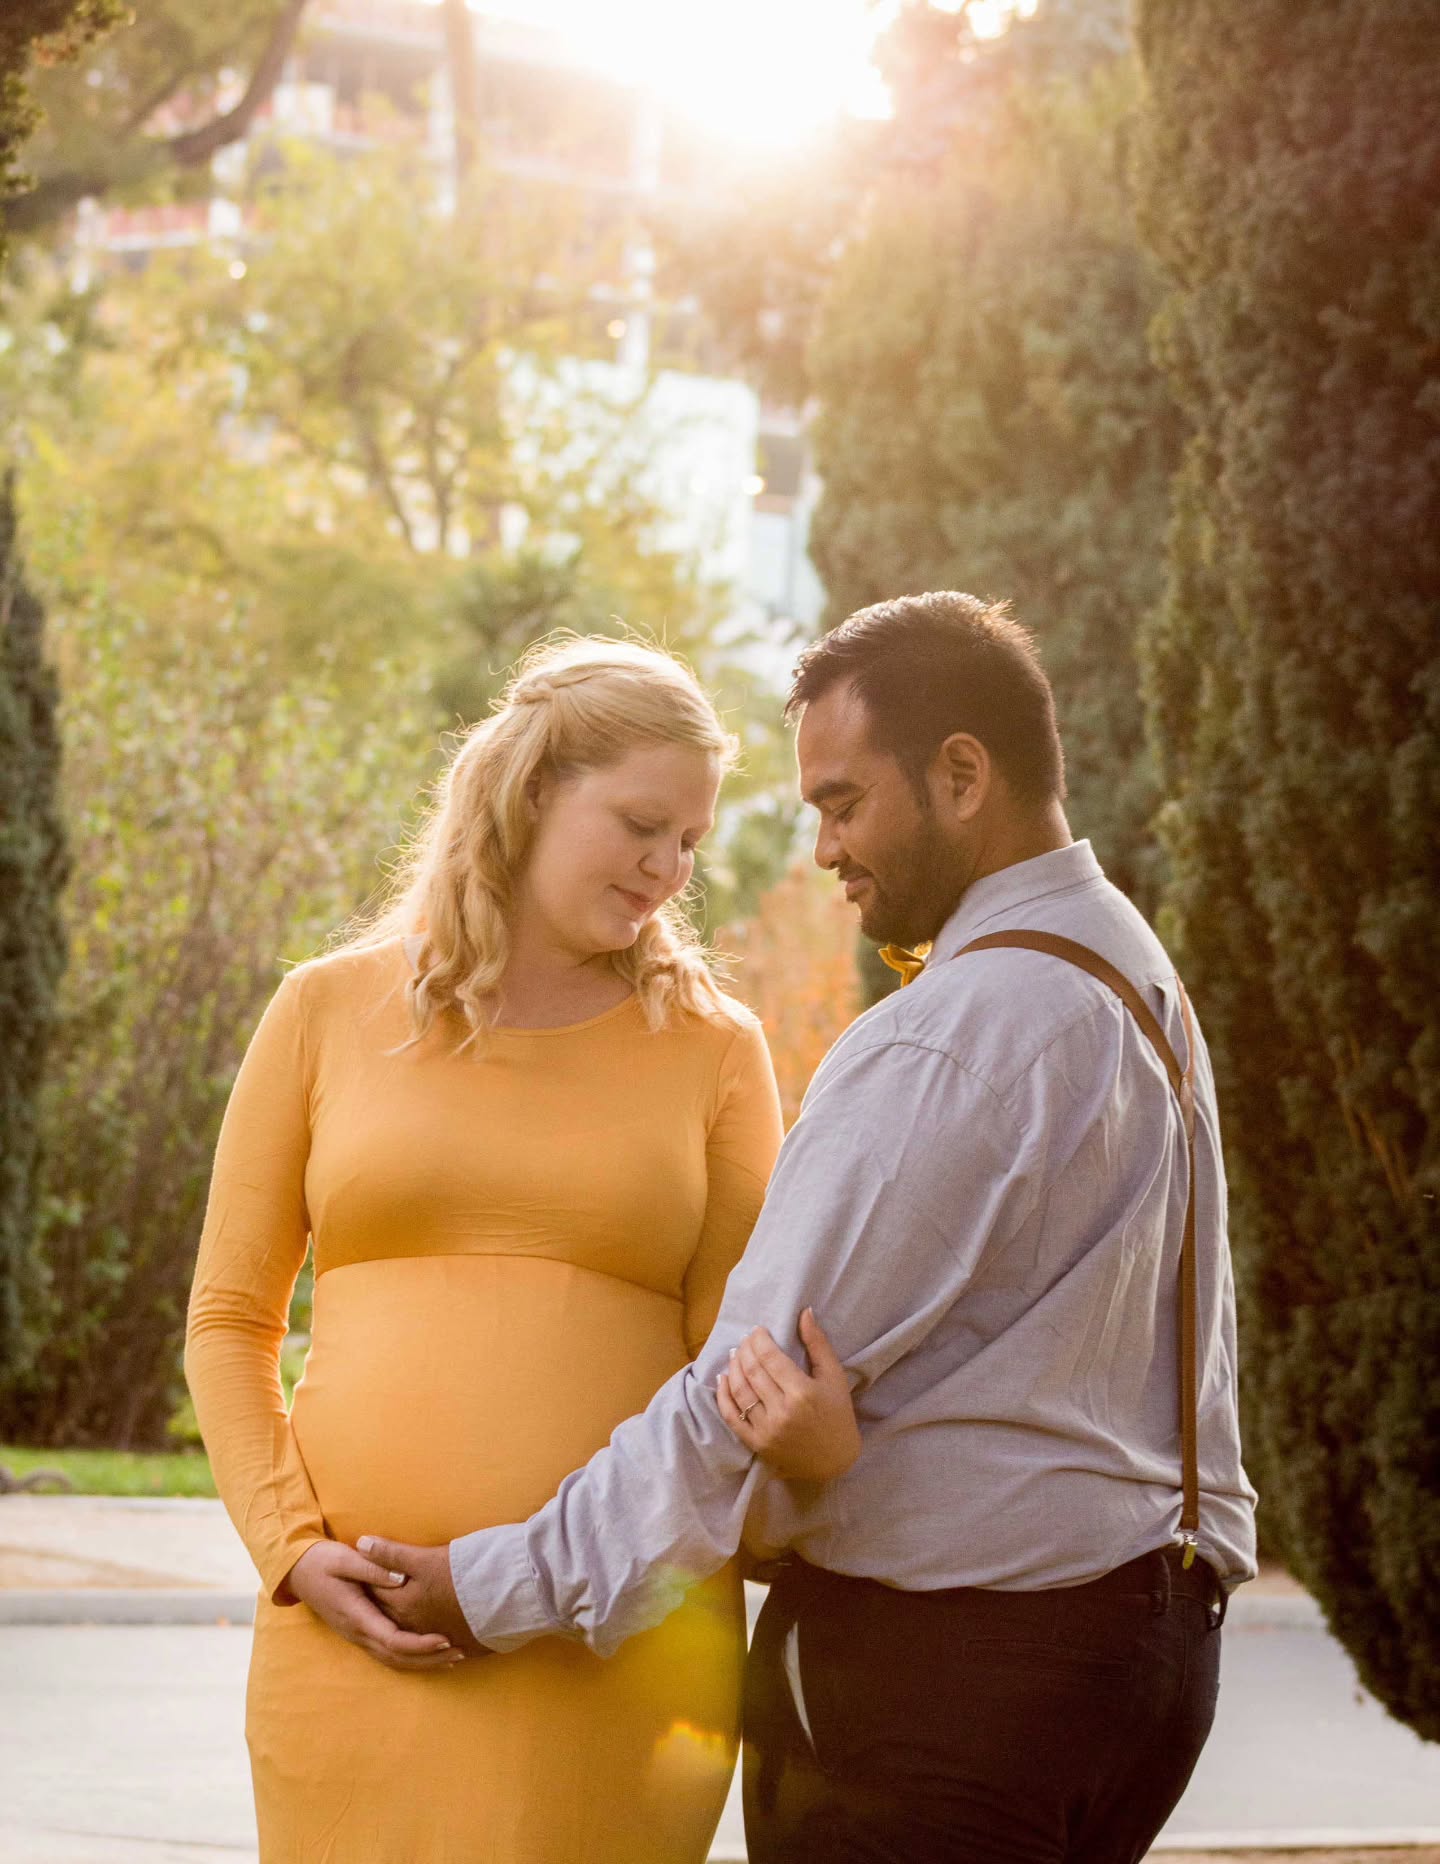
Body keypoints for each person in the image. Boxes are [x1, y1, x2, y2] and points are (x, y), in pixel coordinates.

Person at [363, 592, 1260, 1864]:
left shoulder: (950, 1036)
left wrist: (485, 1587)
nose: (827, 848)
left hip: (951, 1684)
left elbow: (738, 1393)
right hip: (1149, 1662)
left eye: (843, 803)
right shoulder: (1135, 975)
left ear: (962, 776)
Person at [184, 636, 850, 1864]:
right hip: (348, 1639)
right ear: (532, 787)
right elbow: (229, 1322)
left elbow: (732, 1360)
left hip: (614, 1651)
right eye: (641, 824)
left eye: (690, 841)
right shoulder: (323, 1010)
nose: (667, 868)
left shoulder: (716, 1049)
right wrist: (291, 1552)